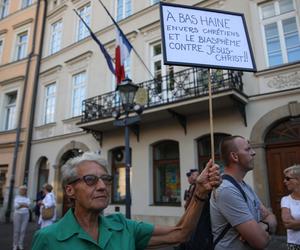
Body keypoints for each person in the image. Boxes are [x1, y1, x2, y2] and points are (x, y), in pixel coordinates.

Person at [32, 152, 221, 250]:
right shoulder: (48, 238)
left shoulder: (122, 227)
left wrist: (200, 192)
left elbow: (180, 234)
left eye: (105, 180)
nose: (101, 186)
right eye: (91, 180)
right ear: (70, 190)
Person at [210, 135, 277, 250]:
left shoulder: (244, 186)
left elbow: (271, 217)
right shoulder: (227, 190)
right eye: (247, 149)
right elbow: (261, 242)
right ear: (234, 156)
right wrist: (264, 228)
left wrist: (263, 225)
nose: (253, 153)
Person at [281, 164, 300, 249]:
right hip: (294, 245)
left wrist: (296, 223)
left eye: (287, 178)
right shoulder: (286, 200)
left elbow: (292, 224)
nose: (284, 181)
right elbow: (287, 223)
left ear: (298, 180)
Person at [13, 185, 31, 250]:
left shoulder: (27, 198)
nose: (23, 191)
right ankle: (15, 244)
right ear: (20, 191)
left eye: (24, 190)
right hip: (17, 214)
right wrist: (24, 205)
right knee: (16, 230)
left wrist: (21, 204)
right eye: (22, 190)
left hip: (26, 215)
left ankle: (20, 244)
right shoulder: (17, 197)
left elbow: (28, 205)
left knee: (23, 230)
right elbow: (16, 206)